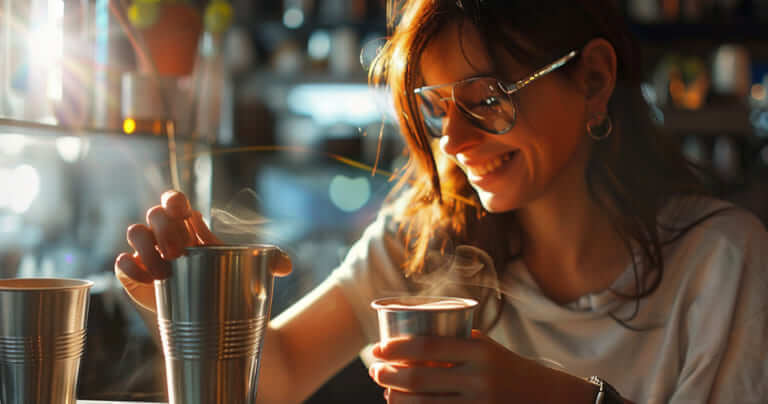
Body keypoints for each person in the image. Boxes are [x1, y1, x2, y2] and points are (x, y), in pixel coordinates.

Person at [114, 0, 768, 403]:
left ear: (593, 81)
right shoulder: (424, 243)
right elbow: (276, 378)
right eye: (434, 107)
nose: (452, 139)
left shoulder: (721, 262)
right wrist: (182, 297)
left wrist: (552, 399)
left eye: (485, 97)